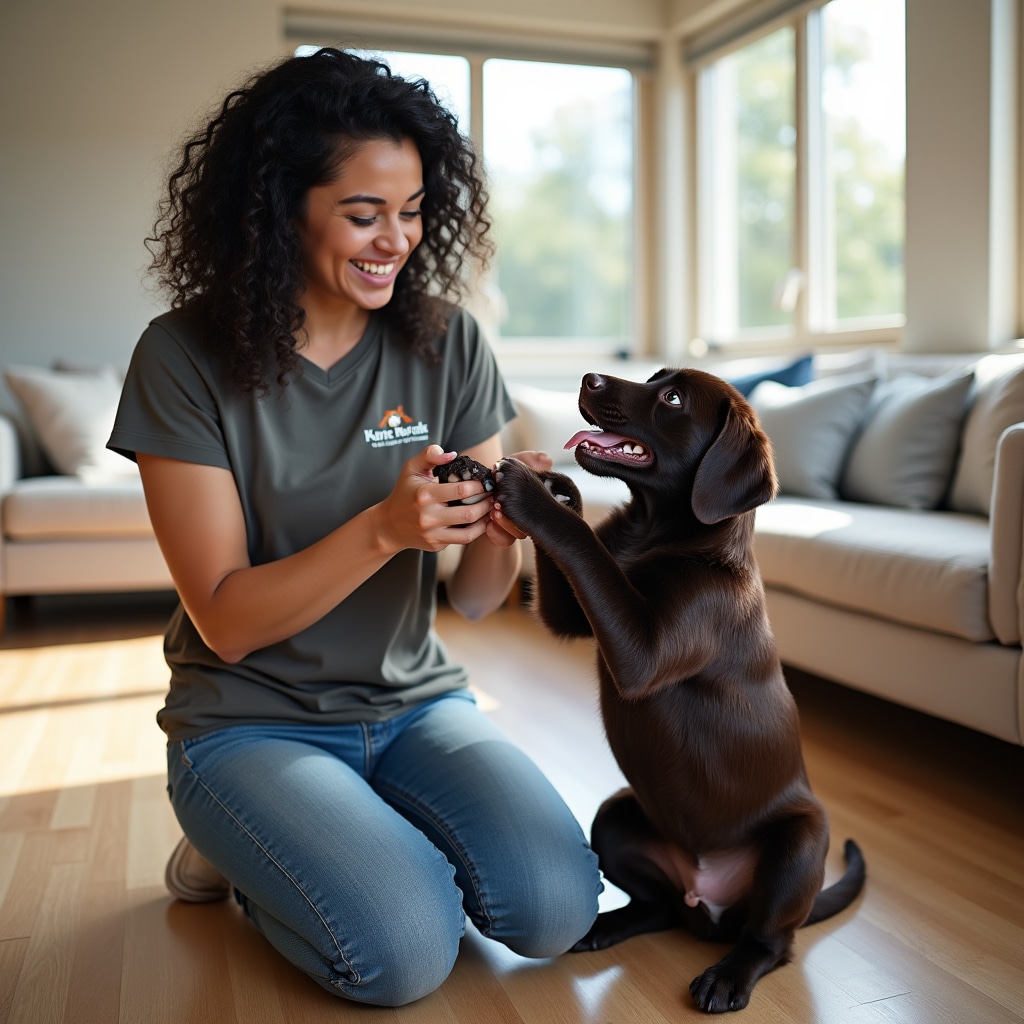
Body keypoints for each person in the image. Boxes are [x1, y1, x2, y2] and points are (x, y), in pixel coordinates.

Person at [108, 47, 601, 1007]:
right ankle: (246, 852)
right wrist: (383, 530)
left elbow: (475, 600)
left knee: (557, 908)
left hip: (417, 707)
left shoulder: (448, 341)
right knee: (404, 953)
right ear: (279, 208)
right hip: (248, 722)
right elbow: (227, 621)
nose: (396, 240)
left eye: (412, 211)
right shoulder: (182, 355)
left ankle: (325, 833)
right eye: (364, 213)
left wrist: (502, 531)